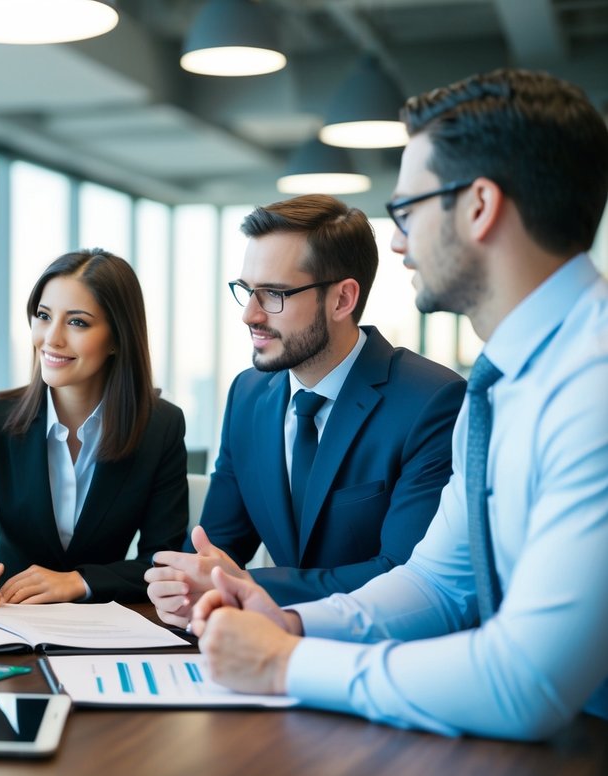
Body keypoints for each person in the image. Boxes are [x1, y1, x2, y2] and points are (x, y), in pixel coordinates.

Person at [189, 68, 608, 740]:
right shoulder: (495, 385)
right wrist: (289, 621)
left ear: (477, 206)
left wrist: (287, 663)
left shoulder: (593, 384)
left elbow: (523, 683)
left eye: (406, 209)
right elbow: (438, 586)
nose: (395, 240)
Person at [146, 195, 465, 621]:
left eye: (274, 294)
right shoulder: (247, 395)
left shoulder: (431, 401)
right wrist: (182, 584)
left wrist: (247, 584)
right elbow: (215, 548)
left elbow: (404, 577)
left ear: (342, 300)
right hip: (254, 653)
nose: (250, 315)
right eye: (246, 291)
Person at [0, 249, 188, 607]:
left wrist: (80, 582)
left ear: (117, 337)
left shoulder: (161, 427)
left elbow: (163, 563)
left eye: (77, 322)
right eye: (44, 316)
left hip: (107, 633)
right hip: (11, 628)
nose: (52, 338)